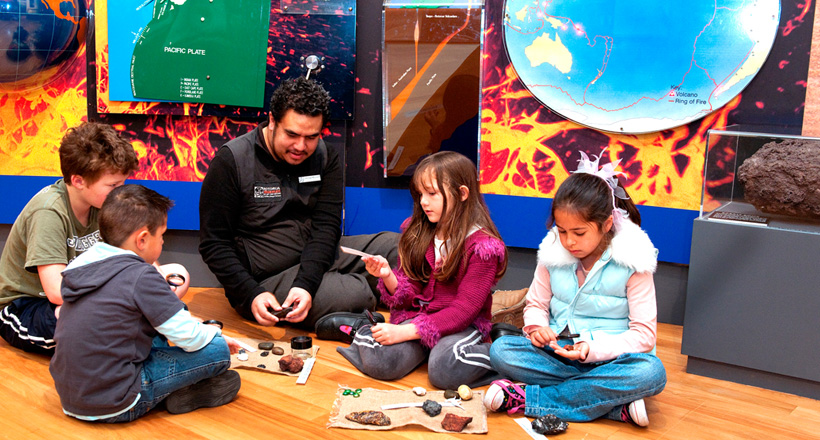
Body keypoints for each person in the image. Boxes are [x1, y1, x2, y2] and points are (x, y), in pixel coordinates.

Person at [483, 151, 667, 427]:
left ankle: (525, 399)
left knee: (651, 372)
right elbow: (535, 305)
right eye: (562, 230)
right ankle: (613, 406)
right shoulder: (552, 253)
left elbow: (644, 336)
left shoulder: (634, 261)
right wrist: (537, 329)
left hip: (611, 359)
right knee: (502, 351)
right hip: (558, 352)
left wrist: (591, 350)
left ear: (606, 225)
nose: (568, 241)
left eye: (579, 233)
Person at [198, 77, 398, 330]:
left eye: (311, 137)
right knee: (350, 295)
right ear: (272, 121)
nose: (300, 146)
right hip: (266, 278)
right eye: (291, 134)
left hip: (319, 256)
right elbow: (214, 244)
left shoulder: (325, 156)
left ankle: (348, 287)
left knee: (399, 248)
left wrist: (306, 283)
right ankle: (364, 290)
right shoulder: (231, 161)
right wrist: (250, 294)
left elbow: (327, 227)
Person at [0, 122, 190, 354]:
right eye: (113, 185)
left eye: (122, 183)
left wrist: (152, 283)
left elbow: (136, 257)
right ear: (78, 181)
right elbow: (56, 291)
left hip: (85, 295)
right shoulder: (49, 212)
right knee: (94, 317)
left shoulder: (103, 203)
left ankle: (134, 333)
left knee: (176, 275)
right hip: (29, 306)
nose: (119, 191)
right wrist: (126, 298)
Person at [50, 184, 240, 422]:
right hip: (118, 400)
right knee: (217, 351)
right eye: (162, 236)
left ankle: (179, 390)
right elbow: (188, 337)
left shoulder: (81, 265)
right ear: (142, 239)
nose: (162, 243)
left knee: (158, 328)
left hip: (71, 397)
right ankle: (173, 392)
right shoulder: (141, 276)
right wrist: (215, 336)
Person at [336, 151, 507, 389]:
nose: (423, 201)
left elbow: (463, 311)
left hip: (461, 325)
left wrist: (406, 333)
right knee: (382, 362)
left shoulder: (483, 247)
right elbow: (410, 290)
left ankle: (502, 352)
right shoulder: (419, 231)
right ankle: (423, 346)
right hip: (419, 320)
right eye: (420, 194)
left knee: (444, 370)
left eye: (432, 193)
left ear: (462, 194)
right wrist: (387, 276)